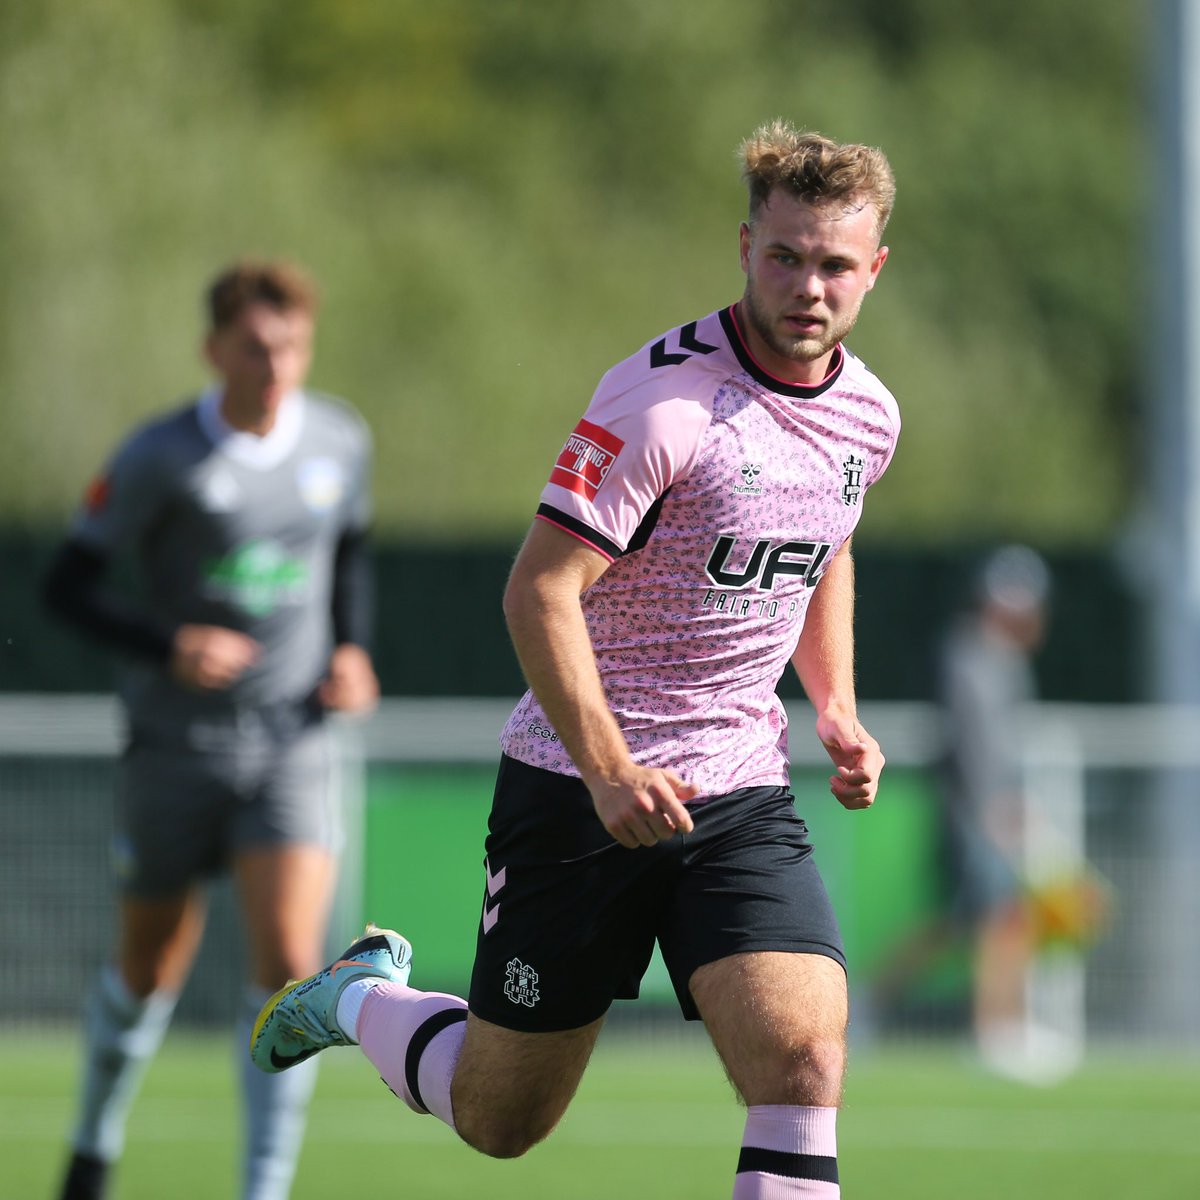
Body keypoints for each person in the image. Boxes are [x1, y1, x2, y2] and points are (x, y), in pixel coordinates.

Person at [251, 120, 898, 1199]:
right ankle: (359, 997)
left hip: (736, 788)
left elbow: (828, 539)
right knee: (501, 1122)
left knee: (804, 1060)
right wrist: (607, 771)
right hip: (576, 788)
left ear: (873, 268)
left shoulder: (868, 415)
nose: (809, 286)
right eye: (785, 256)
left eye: (834, 263)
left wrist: (835, 704)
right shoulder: (664, 406)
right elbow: (539, 588)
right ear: (745, 247)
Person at [41, 259, 380, 1200]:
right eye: (257, 346)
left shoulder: (339, 440)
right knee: (148, 969)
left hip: (292, 744)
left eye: (293, 347)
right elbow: (65, 586)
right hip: (175, 746)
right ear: (214, 349)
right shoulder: (159, 456)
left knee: (287, 965)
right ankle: (91, 1148)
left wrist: (353, 649)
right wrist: (169, 643)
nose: (276, 364)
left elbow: (348, 555)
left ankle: (263, 1189)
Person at [870, 545, 1066, 1081]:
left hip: (992, 810)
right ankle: (997, 1032)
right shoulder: (965, 651)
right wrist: (996, 811)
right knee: (1001, 920)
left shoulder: (1005, 657)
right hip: (970, 811)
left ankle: (869, 1001)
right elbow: (974, 745)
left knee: (954, 924)